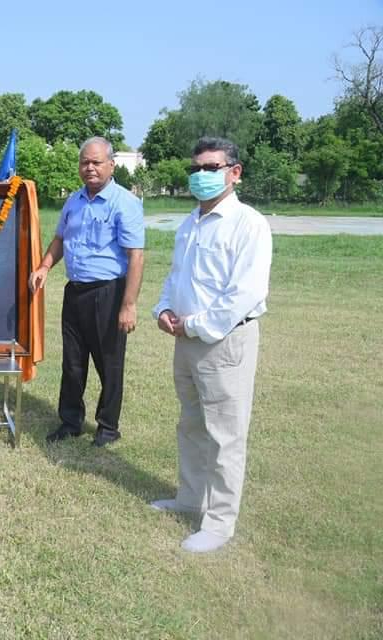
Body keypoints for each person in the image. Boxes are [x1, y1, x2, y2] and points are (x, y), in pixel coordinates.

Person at [150, 137, 272, 553]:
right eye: (197, 167)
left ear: (234, 172)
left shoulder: (248, 224)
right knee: (191, 424)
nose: (202, 175)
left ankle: (219, 523)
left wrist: (195, 324)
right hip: (184, 339)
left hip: (223, 342)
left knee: (225, 433)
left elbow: (245, 293)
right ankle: (189, 498)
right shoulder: (190, 222)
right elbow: (176, 278)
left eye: (212, 167)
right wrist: (164, 309)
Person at [29, 137, 145, 447]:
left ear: (111, 165)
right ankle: (70, 422)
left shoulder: (124, 203)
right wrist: (43, 267)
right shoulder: (74, 201)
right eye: (85, 162)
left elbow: (136, 256)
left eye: (96, 162)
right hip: (75, 292)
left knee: (109, 362)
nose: (90, 168)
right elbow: (59, 240)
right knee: (73, 362)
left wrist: (128, 304)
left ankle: (107, 427)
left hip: (108, 292)